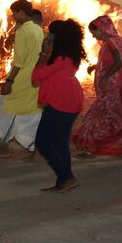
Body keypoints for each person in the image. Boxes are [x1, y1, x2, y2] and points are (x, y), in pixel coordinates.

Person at [72, 15, 122, 157]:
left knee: (97, 117)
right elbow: (111, 61)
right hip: (111, 87)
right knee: (112, 116)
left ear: (102, 29)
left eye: (94, 32)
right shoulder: (114, 41)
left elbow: (118, 62)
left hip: (110, 87)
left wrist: (106, 76)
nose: (93, 36)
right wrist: (96, 66)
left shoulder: (111, 42)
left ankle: (91, 149)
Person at [31, 19, 85, 193]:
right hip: (71, 98)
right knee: (60, 142)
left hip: (60, 100)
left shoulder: (60, 57)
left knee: (43, 141)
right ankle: (64, 181)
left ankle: (67, 177)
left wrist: (42, 54)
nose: (48, 36)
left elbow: (37, 76)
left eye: (51, 34)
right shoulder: (70, 54)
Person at [0, 0, 44, 158]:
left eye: (14, 12)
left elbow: (18, 62)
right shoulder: (38, 29)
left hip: (21, 79)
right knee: (30, 113)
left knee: (6, 110)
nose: (12, 15)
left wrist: (9, 81)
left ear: (22, 12)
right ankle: (33, 147)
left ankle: (5, 146)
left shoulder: (22, 31)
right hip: (34, 78)